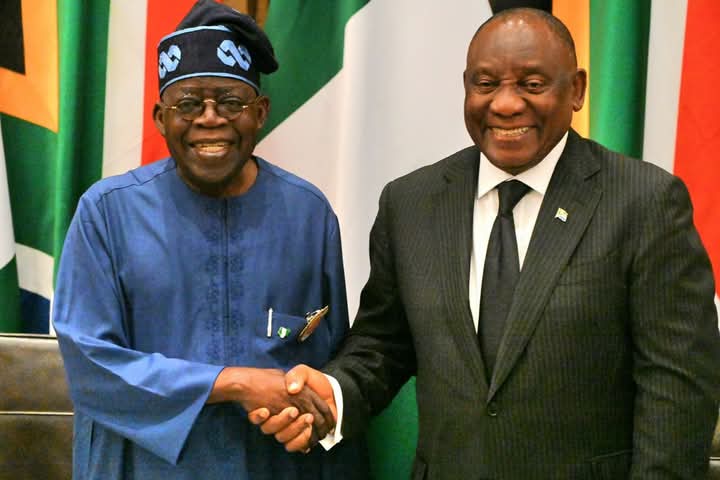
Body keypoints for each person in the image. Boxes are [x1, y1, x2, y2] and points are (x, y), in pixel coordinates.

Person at [251, 7, 720, 479]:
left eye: (532, 84)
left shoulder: (644, 202)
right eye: (486, 84)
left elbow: (677, 389)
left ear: (576, 90)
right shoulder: (410, 203)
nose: (506, 104)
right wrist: (332, 396)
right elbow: (383, 344)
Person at [52, 0, 368, 478]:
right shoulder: (107, 213)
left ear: (260, 113)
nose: (210, 118)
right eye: (188, 104)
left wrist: (306, 414)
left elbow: (329, 360)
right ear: (160, 118)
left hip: (273, 466)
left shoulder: (308, 214)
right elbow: (91, 366)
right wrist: (234, 383)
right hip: (143, 467)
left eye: (231, 102)